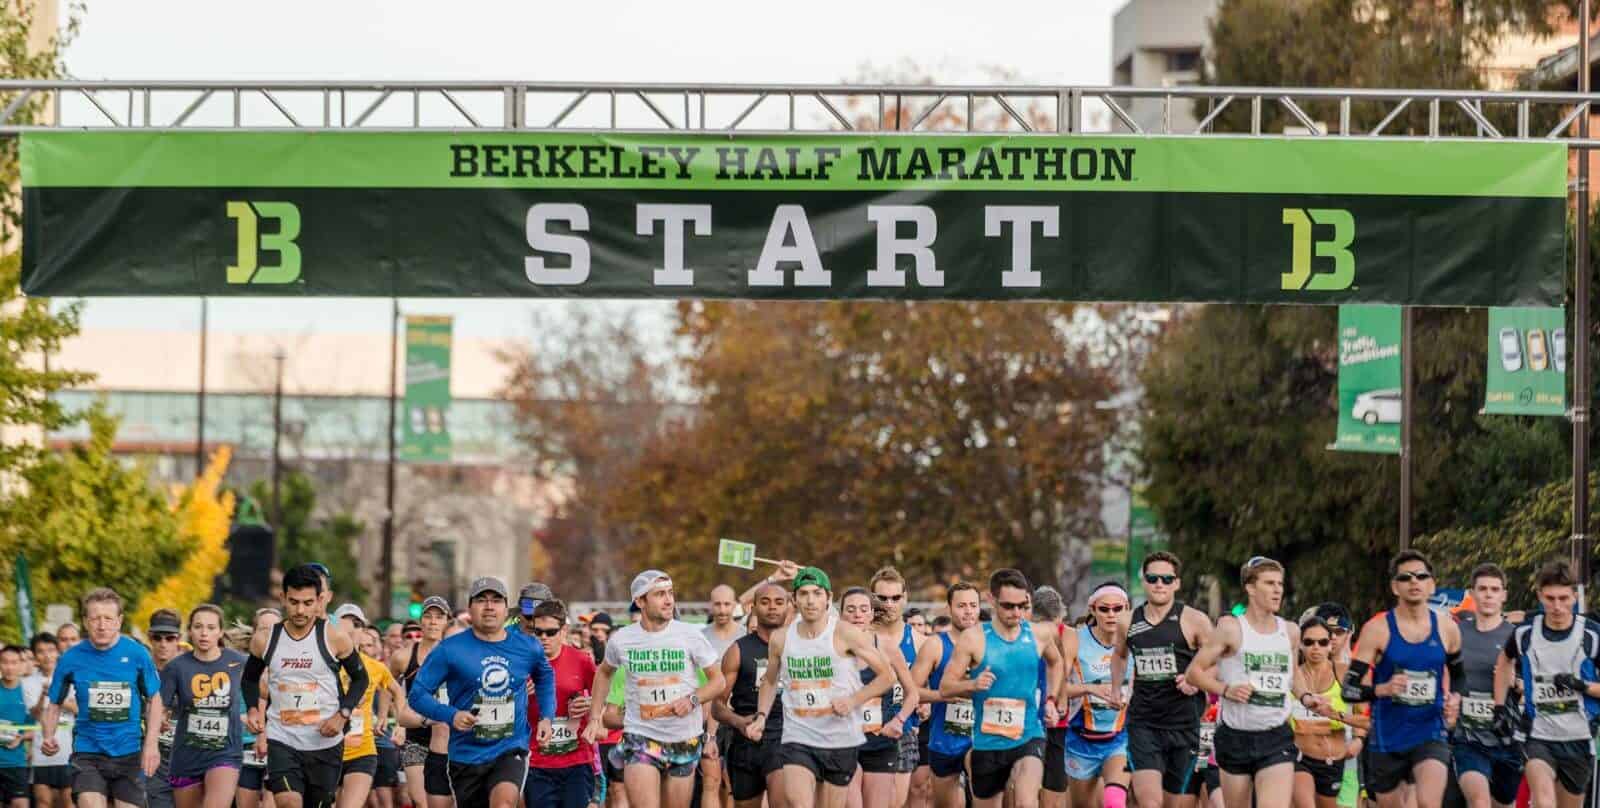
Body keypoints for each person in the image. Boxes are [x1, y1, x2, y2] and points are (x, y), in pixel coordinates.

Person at [747, 566, 893, 808]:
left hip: (839, 737)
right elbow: (770, 680)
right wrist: (761, 716)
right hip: (798, 734)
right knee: (796, 800)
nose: (810, 600)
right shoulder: (781, 638)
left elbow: (887, 676)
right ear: (794, 599)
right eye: (803, 594)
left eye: (816, 593)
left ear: (829, 598)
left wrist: (853, 700)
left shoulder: (846, 634)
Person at [583, 570, 726, 808]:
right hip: (640, 737)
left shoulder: (690, 635)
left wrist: (692, 699)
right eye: (660, 594)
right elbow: (604, 672)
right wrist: (595, 717)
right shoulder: (622, 639)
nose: (669, 600)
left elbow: (718, 681)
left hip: (683, 737)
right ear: (640, 601)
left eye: (670, 593)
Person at [409, 577, 556, 808]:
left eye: (496, 600)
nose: (489, 606)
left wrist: (547, 716)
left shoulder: (528, 646)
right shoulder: (450, 649)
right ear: (470, 608)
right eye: (481, 600)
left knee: (504, 803)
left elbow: (545, 677)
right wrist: (451, 715)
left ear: (506, 609)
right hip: (466, 755)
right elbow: (417, 695)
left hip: (510, 748)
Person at [1187, 557, 1315, 808]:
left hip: (1275, 736)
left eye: (1280, 583)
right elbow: (1195, 672)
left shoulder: (1289, 631)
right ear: (1250, 588)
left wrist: (1307, 698)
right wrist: (1226, 689)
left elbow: (1293, 677)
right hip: (1236, 737)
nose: (1278, 589)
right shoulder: (1231, 630)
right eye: (1269, 583)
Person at [245, 564, 370, 808]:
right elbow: (249, 678)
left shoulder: (334, 637)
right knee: (289, 802)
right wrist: (252, 709)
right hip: (282, 737)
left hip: (325, 741)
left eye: (307, 602)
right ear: (282, 598)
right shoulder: (266, 639)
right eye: (293, 602)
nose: (300, 610)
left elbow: (360, 679)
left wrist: (342, 715)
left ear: (319, 600)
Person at [1344, 550, 1461, 808]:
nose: (1414, 582)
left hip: (1431, 730)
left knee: (1429, 802)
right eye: (1406, 578)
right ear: (1395, 587)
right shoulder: (1377, 630)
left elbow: (1459, 675)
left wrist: (1456, 698)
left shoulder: (1447, 628)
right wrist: (1382, 689)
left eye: (1421, 576)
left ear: (1431, 584)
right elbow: (1349, 690)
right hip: (1388, 737)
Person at [940, 568, 1065, 808]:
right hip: (988, 743)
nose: (1016, 612)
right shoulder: (973, 638)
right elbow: (946, 687)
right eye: (1008, 606)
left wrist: (1051, 699)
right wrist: (972, 684)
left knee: (1026, 802)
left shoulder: (1039, 633)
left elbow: (1056, 662)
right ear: (992, 600)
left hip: (1029, 734)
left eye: (1022, 605)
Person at [1110, 550, 1214, 808]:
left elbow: (1217, 662)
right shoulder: (1127, 621)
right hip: (1144, 722)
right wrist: (1116, 690)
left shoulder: (1195, 620)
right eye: (1153, 578)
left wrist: (1195, 681)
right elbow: (1119, 656)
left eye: (1167, 579)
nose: (1159, 584)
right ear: (1144, 581)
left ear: (1177, 583)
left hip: (1184, 725)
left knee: (1173, 802)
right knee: (1150, 801)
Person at [41, 588, 161, 808]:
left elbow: (155, 698)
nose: (102, 625)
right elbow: (55, 702)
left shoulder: (137, 654)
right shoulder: (71, 657)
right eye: (95, 618)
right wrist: (48, 735)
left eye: (108, 618)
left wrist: (152, 744)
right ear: (86, 621)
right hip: (88, 752)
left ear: (119, 621)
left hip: (129, 751)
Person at [1494, 560, 1600, 808]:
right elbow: (1504, 661)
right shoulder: (1526, 633)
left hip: (1579, 736)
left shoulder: (1592, 635)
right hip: (1537, 734)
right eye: (1550, 598)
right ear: (1540, 596)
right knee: (1543, 802)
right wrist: (1499, 706)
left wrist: (1581, 686)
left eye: (1563, 598)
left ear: (1574, 596)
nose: (1557, 606)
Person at [142, 604, 246, 808]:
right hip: (187, 754)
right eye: (198, 627)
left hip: (225, 752)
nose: (204, 633)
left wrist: (255, 711)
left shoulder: (238, 661)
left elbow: (263, 681)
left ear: (220, 632)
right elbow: (158, 704)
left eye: (210, 627)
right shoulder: (176, 667)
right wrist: (154, 733)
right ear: (189, 631)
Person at [837, 586, 920, 808]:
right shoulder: (831, 648)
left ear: (872, 613)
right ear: (841, 613)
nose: (857, 614)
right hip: (843, 740)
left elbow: (912, 694)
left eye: (864, 609)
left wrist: (899, 720)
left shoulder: (887, 647)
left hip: (880, 740)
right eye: (851, 609)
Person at [713, 581, 792, 808]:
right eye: (765, 602)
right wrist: (738, 722)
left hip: (784, 735)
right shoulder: (738, 650)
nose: (772, 608)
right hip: (745, 740)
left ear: (788, 607)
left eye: (779, 602)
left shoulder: (798, 646)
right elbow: (717, 706)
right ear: (753, 608)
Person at [1452, 564, 1520, 808]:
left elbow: (1531, 688)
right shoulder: (1456, 634)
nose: (1489, 595)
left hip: (1506, 738)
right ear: (1472, 593)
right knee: (1479, 802)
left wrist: (1515, 683)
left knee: (1504, 804)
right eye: (1483, 589)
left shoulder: (1517, 636)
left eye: (1494, 589)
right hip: (1467, 736)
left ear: (1504, 595)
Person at [1061, 583, 1132, 808]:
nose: (1111, 615)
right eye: (1104, 609)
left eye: (1117, 608)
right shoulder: (1076, 639)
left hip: (1120, 738)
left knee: (1114, 802)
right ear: (1092, 609)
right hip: (1080, 738)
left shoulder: (1136, 642)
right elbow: (1058, 687)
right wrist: (1090, 689)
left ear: (1127, 608)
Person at [910, 582, 980, 808]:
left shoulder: (991, 643)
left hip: (985, 738)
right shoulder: (935, 645)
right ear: (949, 608)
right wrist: (942, 696)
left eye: (973, 605)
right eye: (961, 605)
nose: (968, 611)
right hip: (945, 740)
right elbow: (912, 690)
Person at [525, 599, 599, 808]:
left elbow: (604, 699)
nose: (543, 638)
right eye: (538, 632)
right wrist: (520, 696)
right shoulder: (523, 664)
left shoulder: (582, 660)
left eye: (550, 632)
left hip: (577, 761)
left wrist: (589, 703)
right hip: (537, 762)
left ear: (564, 630)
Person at [868, 567, 927, 808]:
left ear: (904, 597)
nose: (889, 604)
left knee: (894, 803)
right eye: (882, 598)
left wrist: (926, 705)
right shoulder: (858, 635)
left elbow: (928, 688)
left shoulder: (921, 641)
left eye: (895, 598)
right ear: (871, 597)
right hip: (859, 727)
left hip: (902, 729)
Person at [333, 605, 403, 808]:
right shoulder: (323, 664)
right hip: (325, 750)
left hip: (361, 751)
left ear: (363, 633)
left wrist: (399, 724)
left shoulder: (374, 666)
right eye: (345, 624)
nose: (351, 630)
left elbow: (396, 691)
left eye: (357, 625)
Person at [1290, 616, 1365, 808]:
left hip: (1335, 760)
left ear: (1330, 645)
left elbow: (1364, 714)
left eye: (1322, 642)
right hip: (1299, 758)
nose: (1316, 647)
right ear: (1300, 645)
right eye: (1309, 642)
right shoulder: (1292, 678)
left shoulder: (1343, 672)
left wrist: (1359, 739)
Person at [391, 595, 450, 808]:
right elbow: (389, 687)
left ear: (446, 622)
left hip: (447, 739)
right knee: (420, 801)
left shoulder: (455, 655)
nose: (433, 622)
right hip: (416, 735)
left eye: (439, 617)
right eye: (428, 616)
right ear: (421, 621)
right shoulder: (403, 657)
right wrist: (397, 720)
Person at [702, 584, 746, 808]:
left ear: (735, 605)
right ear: (711, 605)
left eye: (727, 604)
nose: (721, 609)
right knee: (711, 780)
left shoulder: (745, 635)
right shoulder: (700, 637)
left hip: (737, 715)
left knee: (733, 783)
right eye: (717, 604)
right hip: (707, 715)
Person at [1031, 585, 1071, 808]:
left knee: (1054, 784)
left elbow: (1062, 667)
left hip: (1056, 721)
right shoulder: (1024, 634)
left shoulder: (1066, 635)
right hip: (1027, 719)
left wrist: (1058, 699)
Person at [25, 632, 73, 808]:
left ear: (58, 652)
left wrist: (56, 695)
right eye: (41, 651)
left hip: (68, 750)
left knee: (68, 801)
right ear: (35, 655)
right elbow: (35, 714)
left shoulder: (70, 678)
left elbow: (78, 709)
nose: (47, 655)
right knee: (43, 802)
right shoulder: (28, 682)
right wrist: (41, 697)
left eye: (51, 650)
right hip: (41, 751)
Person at [353, 628, 400, 808]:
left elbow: (392, 691)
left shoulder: (379, 668)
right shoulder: (340, 665)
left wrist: (391, 721)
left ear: (377, 647)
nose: (365, 649)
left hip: (380, 740)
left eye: (369, 645)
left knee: (384, 795)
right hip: (343, 741)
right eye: (361, 645)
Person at [237, 609, 279, 808]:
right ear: (253, 633)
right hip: (245, 746)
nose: (269, 634)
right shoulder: (240, 666)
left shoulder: (293, 665)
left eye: (275, 629)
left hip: (281, 746)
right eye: (263, 629)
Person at [146, 609, 186, 808]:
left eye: (170, 638)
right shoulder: (141, 672)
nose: (163, 644)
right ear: (149, 637)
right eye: (157, 637)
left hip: (188, 757)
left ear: (178, 639)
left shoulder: (191, 670)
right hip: (153, 757)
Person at [0, 645, 34, 808]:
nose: (9, 667)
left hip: (16, 762)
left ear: (21, 665)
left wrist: (22, 737)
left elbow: (35, 729)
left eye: (14, 662)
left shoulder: (29, 692)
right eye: (5, 662)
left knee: (21, 804)